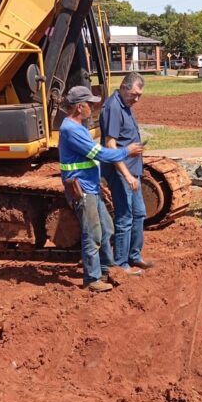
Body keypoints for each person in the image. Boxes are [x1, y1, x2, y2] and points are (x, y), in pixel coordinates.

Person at [59, 85, 143, 293]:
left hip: (91, 187)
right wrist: (126, 151)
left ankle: (106, 269)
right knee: (93, 234)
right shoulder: (71, 130)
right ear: (79, 107)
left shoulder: (78, 127)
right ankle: (92, 279)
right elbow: (101, 154)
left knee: (107, 228)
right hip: (82, 191)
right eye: (89, 104)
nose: (92, 108)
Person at [99, 72, 153, 275]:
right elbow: (111, 145)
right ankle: (121, 264)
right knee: (125, 216)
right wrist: (128, 175)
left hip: (132, 169)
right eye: (134, 94)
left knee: (139, 213)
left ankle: (134, 255)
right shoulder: (113, 107)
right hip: (121, 171)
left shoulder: (125, 105)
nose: (136, 99)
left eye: (140, 95)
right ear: (123, 87)